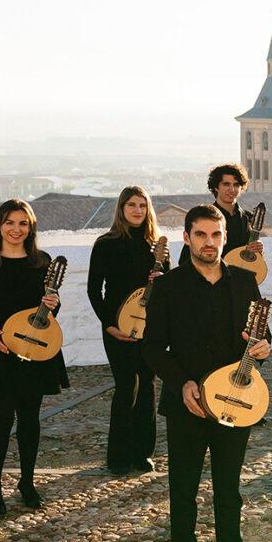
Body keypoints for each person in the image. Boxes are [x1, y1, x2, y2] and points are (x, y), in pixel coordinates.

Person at [142, 205, 269, 542]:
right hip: (190, 403)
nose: (209, 242)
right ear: (187, 238)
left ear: (225, 238)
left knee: (229, 488)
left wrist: (262, 349)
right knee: (184, 488)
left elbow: (257, 336)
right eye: (201, 235)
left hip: (237, 398)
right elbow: (152, 348)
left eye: (216, 235)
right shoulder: (168, 286)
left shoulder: (246, 282)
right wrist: (181, 384)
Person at [0, 199, 69, 517]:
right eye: (10, 222)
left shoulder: (42, 263)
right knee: (1, 420)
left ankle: (27, 483)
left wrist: (53, 303)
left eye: (23, 223)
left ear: (31, 227)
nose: (16, 229)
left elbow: (46, 313)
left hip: (34, 351)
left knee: (30, 421)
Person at [87, 186, 166, 476]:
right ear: (121, 209)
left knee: (148, 386)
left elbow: (166, 291)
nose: (137, 210)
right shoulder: (106, 243)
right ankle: (118, 456)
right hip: (117, 327)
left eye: (142, 205)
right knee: (125, 388)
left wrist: (162, 277)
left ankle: (142, 454)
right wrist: (108, 325)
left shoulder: (156, 245)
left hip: (150, 329)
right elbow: (95, 290)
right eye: (131, 205)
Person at [178, 163, 262, 267]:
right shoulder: (203, 218)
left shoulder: (248, 218)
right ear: (216, 187)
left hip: (242, 278)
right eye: (226, 184)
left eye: (236, 185)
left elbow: (251, 258)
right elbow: (185, 259)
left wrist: (258, 250)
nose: (232, 189)